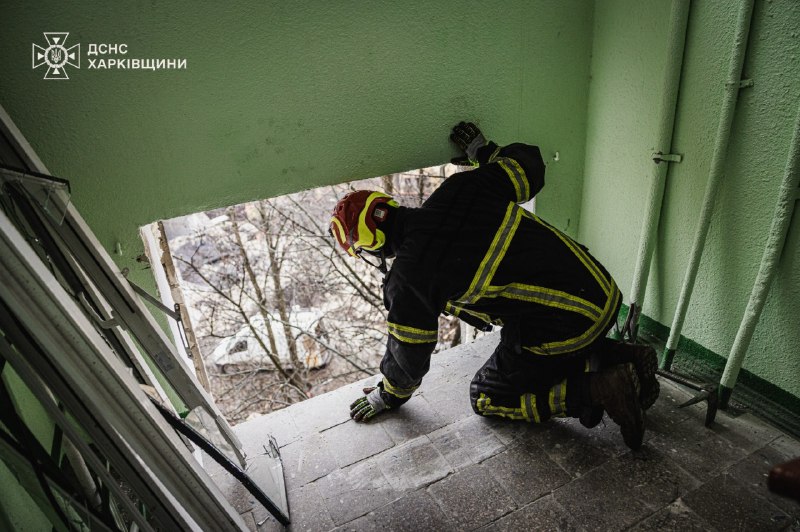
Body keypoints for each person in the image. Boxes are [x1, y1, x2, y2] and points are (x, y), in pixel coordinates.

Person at [329, 122, 659, 449]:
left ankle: (599, 388)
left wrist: (389, 394)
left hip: (571, 325)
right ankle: (622, 356)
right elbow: (528, 167)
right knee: (530, 337)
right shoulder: (458, 189)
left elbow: (409, 353)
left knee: (488, 395)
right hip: (603, 291)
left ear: (372, 245)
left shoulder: (409, 276)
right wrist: (483, 151)